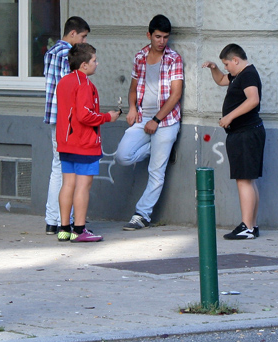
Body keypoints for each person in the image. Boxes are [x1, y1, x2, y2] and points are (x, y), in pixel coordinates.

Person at [114, 14, 183, 230]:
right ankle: (157, 150)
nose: (162, 41)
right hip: (143, 117)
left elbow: (175, 94)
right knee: (122, 156)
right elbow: (133, 88)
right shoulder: (140, 57)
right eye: (158, 37)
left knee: (156, 172)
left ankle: (141, 215)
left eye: (165, 37)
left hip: (166, 121)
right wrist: (133, 108)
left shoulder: (174, 58)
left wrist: (156, 119)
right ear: (149, 35)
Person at [55, 43, 121, 242]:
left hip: (66, 142)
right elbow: (85, 115)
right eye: (94, 60)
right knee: (83, 186)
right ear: (84, 64)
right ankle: (80, 229)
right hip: (84, 143)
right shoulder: (84, 84)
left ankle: (64, 228)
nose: (97, 63)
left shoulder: (64, 81)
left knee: (68, 184)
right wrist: (107, 117)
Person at [202, 43, 264, 240]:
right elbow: (221, 80)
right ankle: (251, 226)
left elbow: (253, 100)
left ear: (236, 60)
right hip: (244, 133)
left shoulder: (248, 74)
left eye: (227, 64)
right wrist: (214, 68)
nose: (226, 68)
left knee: (244, 180)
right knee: (247, 180)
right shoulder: (239, 75)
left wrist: (229, 117)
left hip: (246, 133)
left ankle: (247, 226)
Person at [42, 16, 91, 235]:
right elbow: (72, 86)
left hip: (54, 118)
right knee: (68, 172)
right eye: (82, 36)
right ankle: (66, 221)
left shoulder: (50, 52)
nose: (82, 42)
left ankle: (52, 221)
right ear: (72, 33)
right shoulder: (66, 55)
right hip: (68, 122)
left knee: (57, 169)